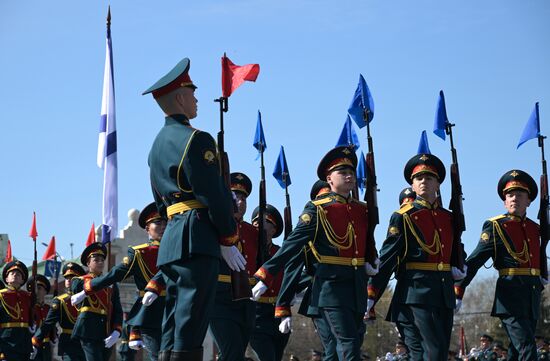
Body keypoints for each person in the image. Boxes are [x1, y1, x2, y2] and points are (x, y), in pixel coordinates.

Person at [144, 57, 241, 361]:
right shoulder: (197, 140)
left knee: (174, 323)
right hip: (198, 240)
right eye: (193, 92)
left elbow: (161, 203)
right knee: (192, 325)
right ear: (181, 98)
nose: (197, 99)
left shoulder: (155, 147)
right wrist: (227, 236)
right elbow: (213, 194)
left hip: (173, 240)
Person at [253, 146, 378, 361]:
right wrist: (266, 273)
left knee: (353, 342)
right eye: (342, 172)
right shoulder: (318, 209)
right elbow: (292, 246)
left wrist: (372, 257)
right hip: (331, 287)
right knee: (347, 344)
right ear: (329, 179)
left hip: (356, 286)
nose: (349, 176)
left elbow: (367, 239)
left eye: (351, 171)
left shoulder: (362, 209)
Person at [367, 153, 466, 361]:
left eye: (429, 178)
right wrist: (371, 293)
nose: (424, 182)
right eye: (419, 179)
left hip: (444, 294)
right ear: (412, 184)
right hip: (416, 292)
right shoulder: (404, 216)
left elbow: (455, 249)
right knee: (434, 352)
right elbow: (388, 258)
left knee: (429, 354)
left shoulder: (449, 217)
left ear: (438, 184)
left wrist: (460, 267)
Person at [455, 170, 546, 360]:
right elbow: (475, 260)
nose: (514, 199)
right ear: (504, 201)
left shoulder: (535, 228)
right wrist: (459, 288)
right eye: (510, 195)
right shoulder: (495, 226)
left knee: (516, 350)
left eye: (520, 195)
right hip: (510, 296)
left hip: (532, 295)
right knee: (527, 348)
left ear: (529, 201)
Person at [71, 202, 167, 360]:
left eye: (165, 222)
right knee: (159, 356)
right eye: (157, 223)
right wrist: (87, 289)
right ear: (147, 229)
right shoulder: (140, 253)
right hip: (152, 311)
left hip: (177, 307)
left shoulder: (179, 250)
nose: (163, 226)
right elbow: (115, 274)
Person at [210, 172, 259, 361]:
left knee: (235, 352)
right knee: (230, 351)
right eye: (235, 197)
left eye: (243, 198)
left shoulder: (253, 232)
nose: (240, 202)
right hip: (220, 296)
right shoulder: (211, 227)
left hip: (246, 299)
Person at [249, 204, 289, 361]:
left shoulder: (281, 253)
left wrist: (290, 294)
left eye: (266, 223)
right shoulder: (246, 250)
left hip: (279, 313)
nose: (259, 226)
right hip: (257, 313)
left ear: (274, 230)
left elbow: (295, 275)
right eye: (256, 223)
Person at [71, 242, 123, 361]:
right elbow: (76, 291)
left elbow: (117, 310)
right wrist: (107, 279)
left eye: (102, 260)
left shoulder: (111, 285)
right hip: (88, 329)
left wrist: (117, 330)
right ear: (88, 263)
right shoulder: (79, 281)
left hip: (106, 329)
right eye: (96, 260)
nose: (100, 262)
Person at [32, 262, 86, 361]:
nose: (69, 280)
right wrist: (35, 339)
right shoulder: (60, 301)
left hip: (87, 343)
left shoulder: (88, 299)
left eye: (72, 277)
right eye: (66, 278)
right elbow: (48, 323)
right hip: (69, 344)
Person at [0, 260, 33, 360]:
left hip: (25, 341)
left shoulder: (28, 296)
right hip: (7, 340)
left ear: (22, 280)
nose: (15, 275)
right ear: (6, 278)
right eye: (12, 273)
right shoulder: (1, 295)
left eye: (18, 274)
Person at [27, 274, 53, 361]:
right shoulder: (28, 307)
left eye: (39, 288)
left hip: (46, 347)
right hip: (32, 346)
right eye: (34, 289)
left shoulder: (49, 308)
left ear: (45, 291)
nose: (36, 291)